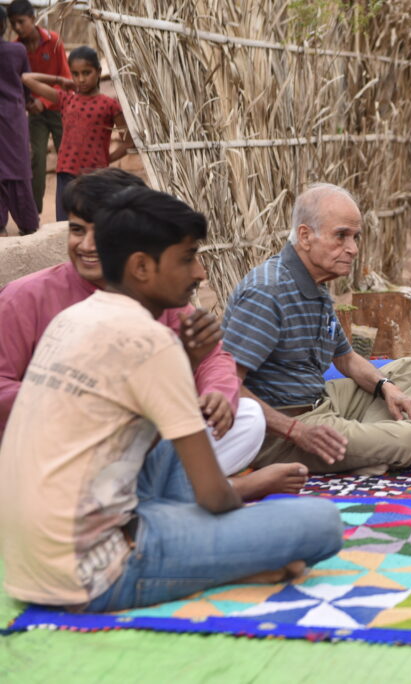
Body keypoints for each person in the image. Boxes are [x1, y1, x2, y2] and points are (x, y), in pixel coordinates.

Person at [0, 186, 343, 612]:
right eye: (186, 258)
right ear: (141, 267)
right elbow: (213, 498)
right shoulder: (150, 340)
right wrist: (247, 498)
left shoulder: (73, 318)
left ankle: (208, 548)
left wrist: (187, 362)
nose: (200, 273)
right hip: (94, 574)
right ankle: (221, 558)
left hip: (27, 565)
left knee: (191, 440)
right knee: (322, 523)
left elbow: (147, 432)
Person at [0, 168, 301, 499]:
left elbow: (213, 356)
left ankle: (162, 491)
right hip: (57, 447)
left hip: (134, 446)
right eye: (76, 230)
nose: (86, 245)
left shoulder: (155, 290)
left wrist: (217, 392)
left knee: (248, 418)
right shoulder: (24, 297)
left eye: (100, 233)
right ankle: (199, 492)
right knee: (305, 527)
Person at [221, 183, 411, 477]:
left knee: (409, 371)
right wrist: (297, 431)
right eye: (341, 236)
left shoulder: (314, 283)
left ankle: (361, 449)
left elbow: (345, 358)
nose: (353, 249)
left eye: (355, 237)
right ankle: (365, 447)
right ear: (305, 236)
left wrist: (386, 388)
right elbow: (227, 386)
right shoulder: (268, 293)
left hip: (320, 400)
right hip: (284, 427)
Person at [22, 45, 131, 221]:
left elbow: (128, 143)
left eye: (87, 73)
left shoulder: (110, 105)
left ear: (98, 71)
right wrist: (60, 79)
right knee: (64, 227)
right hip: (66, 174)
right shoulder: (66, 99)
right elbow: (27, 78)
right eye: (75, 74)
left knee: (94, 224)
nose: (81, 79)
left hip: (96, 176)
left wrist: (106, 159)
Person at [8, 0, 71, 215]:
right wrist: (28, 103)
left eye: (21, 22)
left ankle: (68, 214)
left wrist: (42, 102)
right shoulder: (17, 48)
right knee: (36, 161)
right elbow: (17, 83)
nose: (17, 27)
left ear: (33, 19)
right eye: (13, 23)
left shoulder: (54, 41)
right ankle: (33, 215)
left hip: (59, 109)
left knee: (67, 162)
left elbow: (64, 77)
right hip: (35, 113)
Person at [0, 5, 38, 236]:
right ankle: (27, 224)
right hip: (13, 117)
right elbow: (27, 84)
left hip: (11, 116)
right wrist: (29, 102)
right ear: (4, 25)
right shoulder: (17, 51)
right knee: (19, 169)